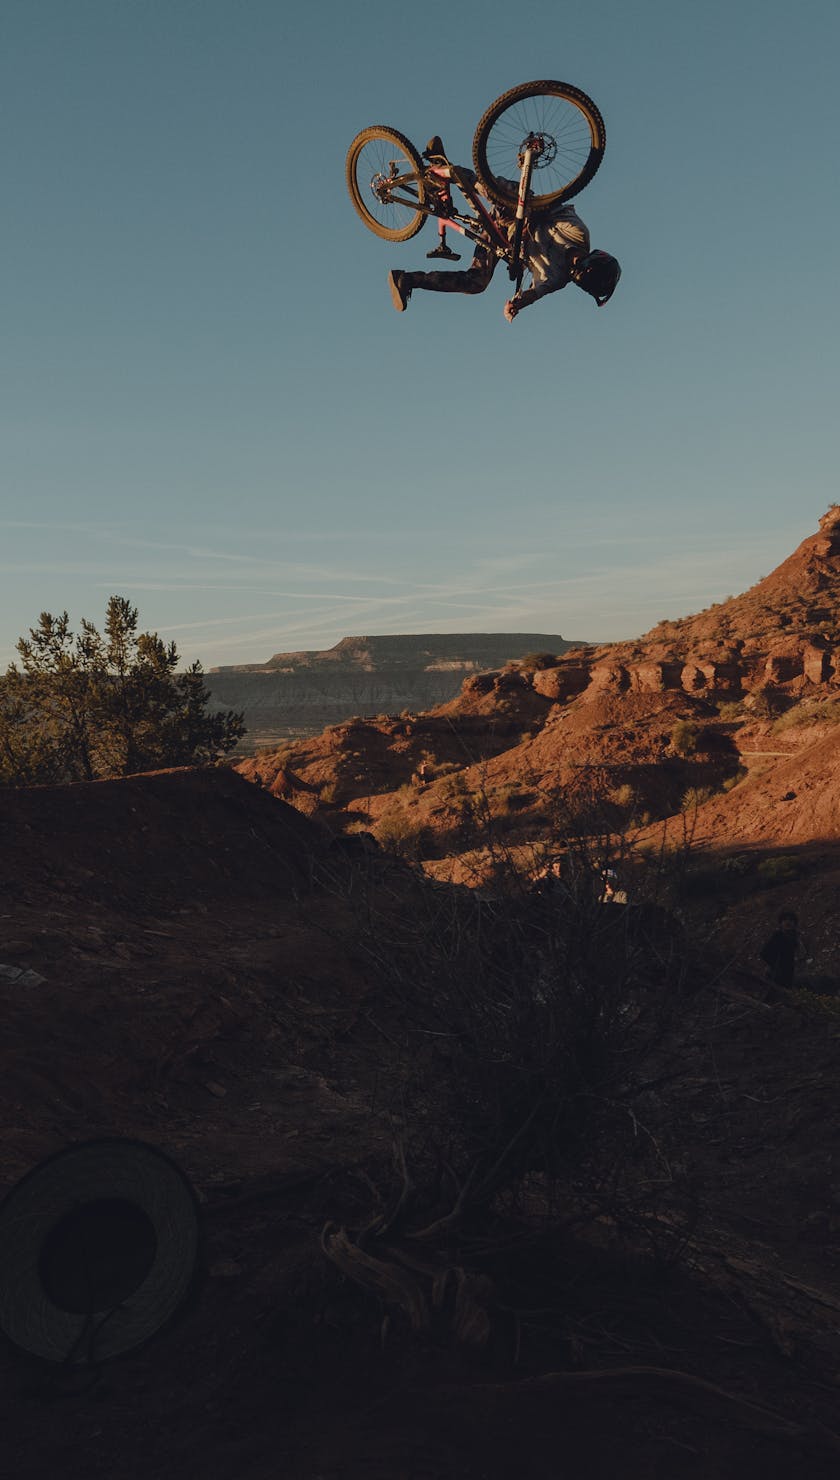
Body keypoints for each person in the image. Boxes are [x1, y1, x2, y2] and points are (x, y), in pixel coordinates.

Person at [388, 137, 620, 324]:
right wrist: (526, 223)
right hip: (518, 207)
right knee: (492, 193)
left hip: (502, 239)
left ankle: (407, 279)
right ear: (589, 264)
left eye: (575, 278)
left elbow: (535, 293)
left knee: (476, 283)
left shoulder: (559, 279)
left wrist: (517, 304)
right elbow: (548, 205)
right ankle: (447, 170)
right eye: (577, 271)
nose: (571, 273)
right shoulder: (578, 233)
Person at [759, 910, 803, 990]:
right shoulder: (777, 936)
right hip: (775, 974)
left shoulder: (795, 938)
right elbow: (764, 953)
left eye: (791, 920)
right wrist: (775, 965)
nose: (788, 922)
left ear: (795, 924)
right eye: (785, 920)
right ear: (781, 923)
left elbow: (800, 955)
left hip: (789, 974)